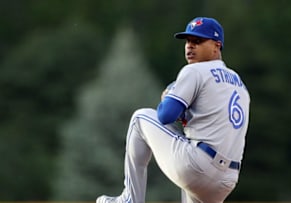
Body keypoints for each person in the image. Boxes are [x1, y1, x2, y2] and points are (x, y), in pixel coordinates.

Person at [96, 16, 251, 203]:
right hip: (227, 180)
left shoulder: (194, 71)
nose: (190, 46)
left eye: (198, 41)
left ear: (217, 46)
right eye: (188, 41)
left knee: (140, 118)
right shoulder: (240, 86)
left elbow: (165, 115)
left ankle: (130, 199)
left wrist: (170, 96)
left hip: (197, 166)